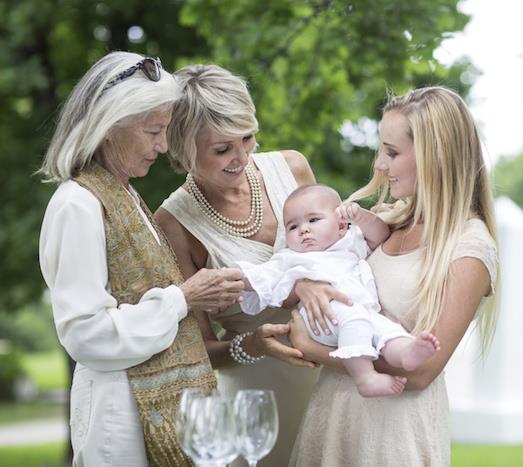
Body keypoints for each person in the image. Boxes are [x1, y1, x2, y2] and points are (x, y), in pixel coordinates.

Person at [38, 52, 244, 467]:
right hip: (120, 423)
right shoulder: (77, 204)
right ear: (109, 127)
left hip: (151, 412)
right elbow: (86, 335)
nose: (163, 146)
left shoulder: (125, 195)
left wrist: (199, 299)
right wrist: (182, 300)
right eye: (154, 131)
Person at [288, 86, 499, 466]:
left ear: (435, 156)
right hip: (332, 417)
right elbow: (320, 263)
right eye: (381, 150)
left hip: (391, 437)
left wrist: (313, 347)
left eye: (393, 152)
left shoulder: (470, 248)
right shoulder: (387, 220)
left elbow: (419, 373)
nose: (380, 166)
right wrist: (306, 285)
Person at [153, 64, 344, 466]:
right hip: (258, 397)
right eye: (222, 149)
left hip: (336, 370)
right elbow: (199, 350)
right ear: (184, 149)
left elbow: (343, 252)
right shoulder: (173, 224)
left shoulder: (292, 168)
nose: (241, 157)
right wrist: (252, 345)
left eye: (248, 138)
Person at [235, 184, 441, 397]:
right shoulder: (289, 257)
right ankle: (365, 378)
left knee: (385, 329)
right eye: (293, 227)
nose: (303, 229)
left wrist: (360, 216)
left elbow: (380, 234)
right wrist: (228, 278)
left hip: (363, 312)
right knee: (355, 318)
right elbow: (258, 278)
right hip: (324, 317)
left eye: (313, 220)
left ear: (341, 226)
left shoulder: (349, 243)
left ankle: (406, 352)